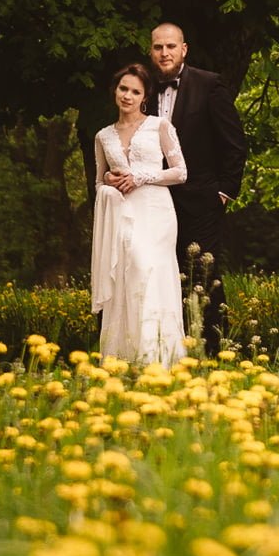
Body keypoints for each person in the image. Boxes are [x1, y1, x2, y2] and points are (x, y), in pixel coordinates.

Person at [147, 22, 247, 355]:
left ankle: (216, 352)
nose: (165, 53)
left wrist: (224, 192)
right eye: (158, 47)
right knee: (158, 275)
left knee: (203, 276)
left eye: (171, 47)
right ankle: (168, 351)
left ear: (183, 49)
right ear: (152, 51)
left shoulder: (209, 85)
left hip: (201, 200)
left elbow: (234, 143)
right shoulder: (141, 88)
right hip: (153, 202)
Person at [90, 62, 188, 365]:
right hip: (123, 212)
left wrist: (140, 177)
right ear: (115, 91)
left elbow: (181, 172)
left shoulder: (160, 126)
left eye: (135, 91)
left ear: (144, 96)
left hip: (156, 211)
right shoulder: (103, 136)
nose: (128, 96)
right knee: (128, 274)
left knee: (149, 271)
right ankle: (125, 357)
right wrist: (108, 182)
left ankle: (157, 358)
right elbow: (97, 181)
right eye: (123, 89)